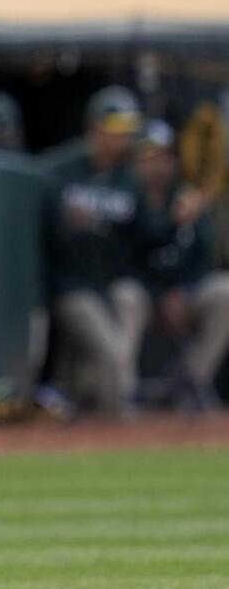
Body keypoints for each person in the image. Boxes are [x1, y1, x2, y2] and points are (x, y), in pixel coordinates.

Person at [45, 87, 165, 415]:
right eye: (117, 131)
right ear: (96, 129)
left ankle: (101, 390)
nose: (124, 138)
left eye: (127, 131)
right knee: (108, 346)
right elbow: (41, 231)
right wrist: (65, 223)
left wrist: (177, 218)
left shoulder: (130, 179)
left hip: (112, 282)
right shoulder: (60, 170)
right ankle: (119, 417)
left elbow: (150, 237)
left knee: (131, 297)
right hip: (72, 287)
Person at [134, 121, 227, 411]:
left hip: (183, 295)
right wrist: (161, 293)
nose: (158, 167)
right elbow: (121, 259)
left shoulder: (187, 198)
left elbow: (202, 259)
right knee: (125, 298)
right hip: (141, 294)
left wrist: (182, 291)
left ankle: (190, 380)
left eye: (164, 158)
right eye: (150, 159)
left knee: (225, 291)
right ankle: (118, 394)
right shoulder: (127, 196)